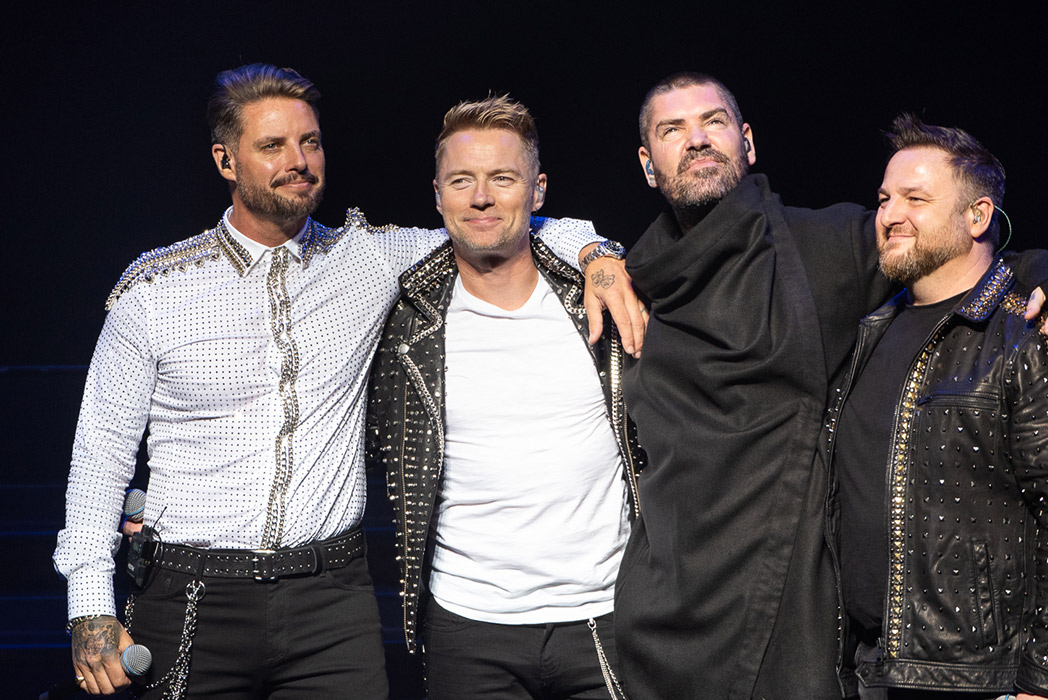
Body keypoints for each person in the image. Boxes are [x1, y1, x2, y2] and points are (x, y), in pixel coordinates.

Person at [52, 64, 640, 698]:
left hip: (330, 600)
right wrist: (90, 603)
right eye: (272, 146)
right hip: (190, 592)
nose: (298, 160)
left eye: (310, 142)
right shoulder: (155, 288)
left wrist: (599, 254)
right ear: (226, 161)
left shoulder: (367, 257)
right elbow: (99, 457)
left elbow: (503, 221)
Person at [614, 72, 1048, 700]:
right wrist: (595, 257)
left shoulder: (823, 246)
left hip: (793, 608)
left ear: (748, 142)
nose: (697, 140)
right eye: (673, 130)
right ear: (648, 165)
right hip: (664, 604)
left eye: (714, 122)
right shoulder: (631, 280)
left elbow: (949, 242)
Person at [366, 95, 643, 700]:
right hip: (467, 626)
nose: (482, 197)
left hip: (604, 615)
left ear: (537, 191)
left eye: (503, 179)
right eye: (461, 181)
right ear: (437, 195)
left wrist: (597, 252)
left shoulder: (601, 298)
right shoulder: (406, 318)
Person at [827, 113, 1048, 700]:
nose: (890, 214)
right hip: (870, 669)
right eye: (883, 199)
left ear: (979, 215)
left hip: (979, 681)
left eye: (916, 198)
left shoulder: (1032, 333)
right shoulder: (868, 332)